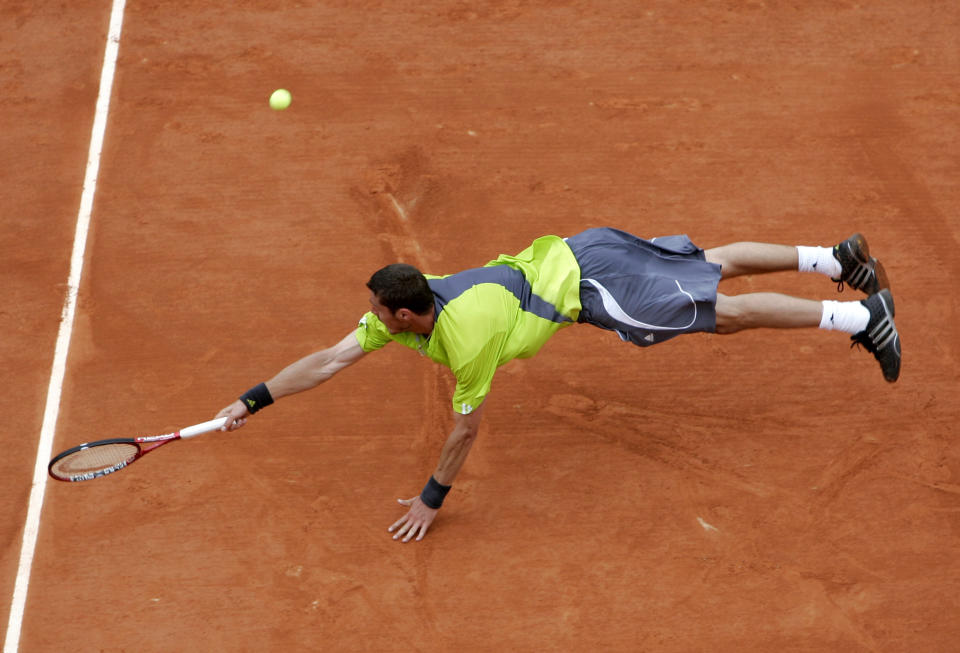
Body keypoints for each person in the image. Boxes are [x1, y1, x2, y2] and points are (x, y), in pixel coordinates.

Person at [215, 227, 901, 543]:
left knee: (719, 315)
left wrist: (431, 500)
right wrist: (252, 400)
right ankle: (832, 257)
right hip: (585, 248)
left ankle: (858, 314)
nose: (368, 323)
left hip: (594, 288)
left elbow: (466, 427)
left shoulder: (465, 336)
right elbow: (328, 360)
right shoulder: (407, 318)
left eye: (376, 314)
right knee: (709, 262)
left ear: (402, 312)